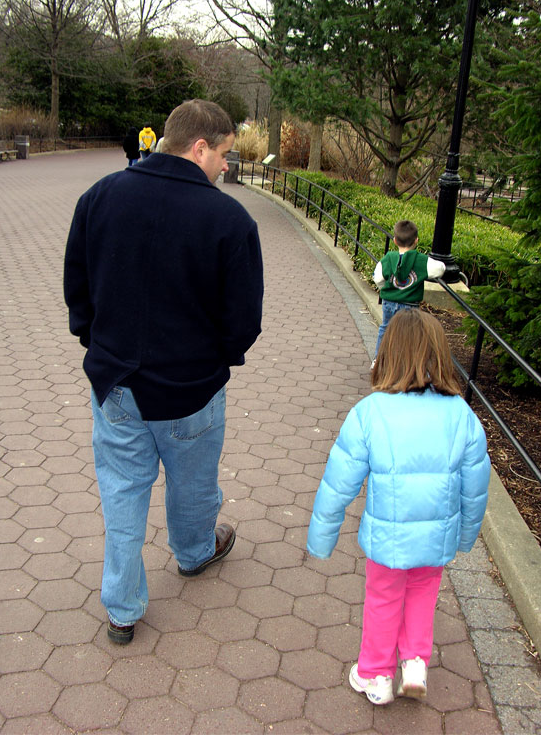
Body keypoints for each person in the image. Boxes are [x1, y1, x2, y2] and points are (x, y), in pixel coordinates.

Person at [64, 99, 264, 645]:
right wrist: (215, 361)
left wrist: (98, 343)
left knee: (123, 491)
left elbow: (76, 289)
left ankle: (122, 608)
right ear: (199, 147)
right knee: (193, 483)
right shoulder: (229, 219)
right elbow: (243, 320)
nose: (227, 166)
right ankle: (195, 552)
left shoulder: (99, 197)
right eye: (224, 154)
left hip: (116, 383)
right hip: (191, 389)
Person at [307, 308, 490, 705]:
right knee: (424, 594)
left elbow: (339, 484)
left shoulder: (370, 413)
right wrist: (465, 536)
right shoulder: (462, 416)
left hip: (387, 541)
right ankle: (415, 663)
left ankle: (375, 676)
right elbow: (476, 487)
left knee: (383, 599)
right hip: (435, 540)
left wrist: (321, 538)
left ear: (387, 355)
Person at [372, 219, 445, 363]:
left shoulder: (388, 259)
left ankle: (379, 359)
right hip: (410, 304)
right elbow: (440, 268)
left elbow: (378, 277)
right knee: (409, 333)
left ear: (395, 241)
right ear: (416, 241)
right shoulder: (421, 260)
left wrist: (386, 290)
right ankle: (404, 363)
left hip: (389, 302)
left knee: (386, 328)